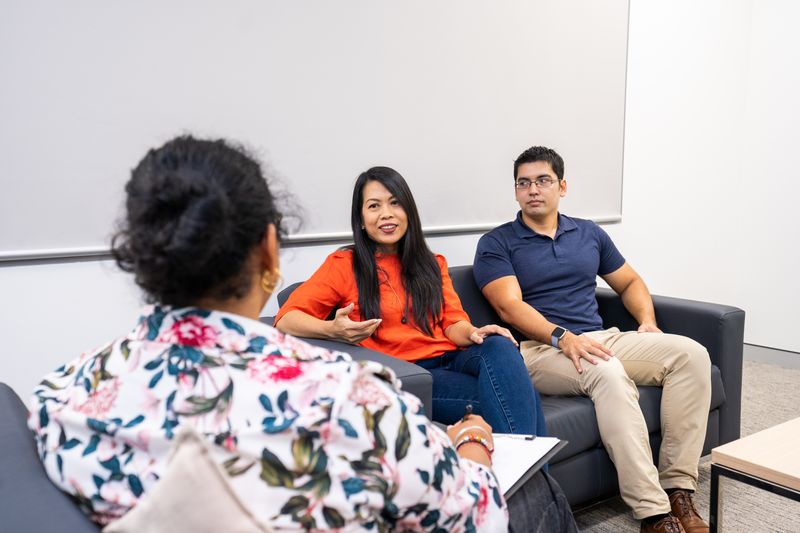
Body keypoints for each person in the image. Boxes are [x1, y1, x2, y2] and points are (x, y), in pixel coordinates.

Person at [28, 136, 514, 531]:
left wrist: (472, 332)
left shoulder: (61, 396)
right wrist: (473, 442)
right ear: (269, 249)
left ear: (139, 256)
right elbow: (478, 514)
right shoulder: (354, 400)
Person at [473, 146, 712, 533]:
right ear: (516, 191)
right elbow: (509, 308)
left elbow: (630, 281)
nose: (533, 189)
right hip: (538, 351)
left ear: (562, 186)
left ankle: (678, 488)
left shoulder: (588, 233)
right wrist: (561, 337)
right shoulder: (497, 243)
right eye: (524, 183)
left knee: (691, 355)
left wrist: (647, 321)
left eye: (543, 180)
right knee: (608, 372)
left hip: (600, 337)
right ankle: (653, 512)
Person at [274, 166, 546, 437]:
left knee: (498, 344)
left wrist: (474, 332)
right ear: (360, 218)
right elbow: (285, 319)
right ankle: (538, 479)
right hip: (412, 375)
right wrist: (332, 330)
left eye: (395, 203)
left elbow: (453, 322)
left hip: (453, 356)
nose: (386, 214)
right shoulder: (344, 265)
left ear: (408, 211)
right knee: (523, 398)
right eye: (374, 206)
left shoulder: (431, 263)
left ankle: (524, 477)